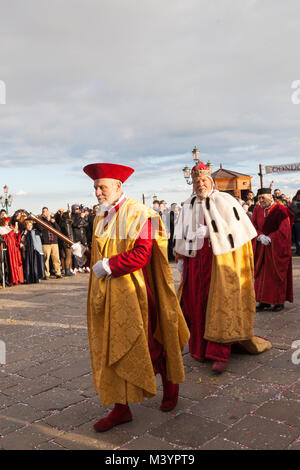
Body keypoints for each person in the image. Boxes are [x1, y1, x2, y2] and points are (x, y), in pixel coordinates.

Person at [78, 162, 189, 432]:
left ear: (118, 186)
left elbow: (142, 254)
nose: (97, 192)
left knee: (150, 345)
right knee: (109, 350)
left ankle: (170, 387)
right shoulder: (99, 216)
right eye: (95, 187)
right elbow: (99, 254)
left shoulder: (143, 214)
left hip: (135, 293)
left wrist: (110, 265)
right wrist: (84, 254)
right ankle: (121, 408)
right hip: (105, 295)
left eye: (102, 187)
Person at [174, 162, 271, 373]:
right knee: (195, 306)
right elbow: (181, 232)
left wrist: (212, 233)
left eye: (203, 180)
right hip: (195, 263)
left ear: (211, 181)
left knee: (220, 305)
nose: (200, 184)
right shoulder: (188, 204)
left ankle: (219, 352)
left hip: (219, 263)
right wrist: (181, 258)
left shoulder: (224, 200)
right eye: (196, 181)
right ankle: (200, 349)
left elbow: (239, 231)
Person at [252, 188, 294, 312]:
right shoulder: (257, 209)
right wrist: (259, 235)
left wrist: (271, 238)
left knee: (276, 275)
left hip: (275, 248)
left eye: (263, 197)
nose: (261, 200)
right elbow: (252, 225)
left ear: (271, 197)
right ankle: (263, 301)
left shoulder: (281, 210)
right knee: (261, 275)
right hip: (261, 248)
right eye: (259, 198)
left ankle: (278, 302)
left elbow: (285, 230)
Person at [39, 207, 63, 279]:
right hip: (46, 243)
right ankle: (46, 274)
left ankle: (58, 273)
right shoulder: (41, 221)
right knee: (46, 259)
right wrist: (45, 220)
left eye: (46, 211)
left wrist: (53, 222)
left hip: (54, 242)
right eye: (44, 212)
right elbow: (40, 228)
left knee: (56, 258)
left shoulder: (53, 221)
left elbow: (58, 230)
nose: (45, 213)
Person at [0, 217, 24, 286]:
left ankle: (18, 278)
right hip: (8, 249)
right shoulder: (1, 229)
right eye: (5, 221)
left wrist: (16, 231)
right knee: (10, 263)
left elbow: (17, 236)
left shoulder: (11, 227)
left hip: (15, 248)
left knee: (16, 263)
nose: (7, 222)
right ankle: (12, 279)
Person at [21, 218, 45, 284]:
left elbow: (41, 229)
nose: (29, 227)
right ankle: (29, 279)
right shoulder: (24, 232)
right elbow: (21, 242)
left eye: (31, 225)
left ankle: (36, 278)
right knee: (28, 265)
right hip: (28, 251)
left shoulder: (35, 231)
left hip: (35, 250)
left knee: (35, 265)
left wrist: (35, 220)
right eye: (28, 225)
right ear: (25, 226)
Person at [290, 189, 300, 255]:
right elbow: (295, 212)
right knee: (298, 238)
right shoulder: (294, 202)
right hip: (298, 222)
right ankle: (299, 250)